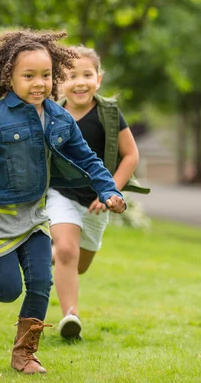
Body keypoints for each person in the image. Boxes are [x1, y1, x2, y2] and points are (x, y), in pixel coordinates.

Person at [0, 28, 126, 375]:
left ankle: (25, 354)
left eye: (46, 75)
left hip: (36, 214)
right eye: (29, 76)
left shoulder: (58, 117)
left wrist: (108, 189)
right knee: (6, 289)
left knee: (40, 281)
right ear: (9, 77)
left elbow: (87, 158)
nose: (39, 83)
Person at [46, 46, 150, 340]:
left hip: (96, 202)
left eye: (87, 75)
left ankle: (52, 255)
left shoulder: (109, 113)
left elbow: (131, 155)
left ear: (99, 79)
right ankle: (71, 316)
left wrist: (109, 192)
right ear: (59, 82)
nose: (80, 82)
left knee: (79, 264)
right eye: (71, 76)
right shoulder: (51, 113)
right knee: (68, 249)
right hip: (59, 193)